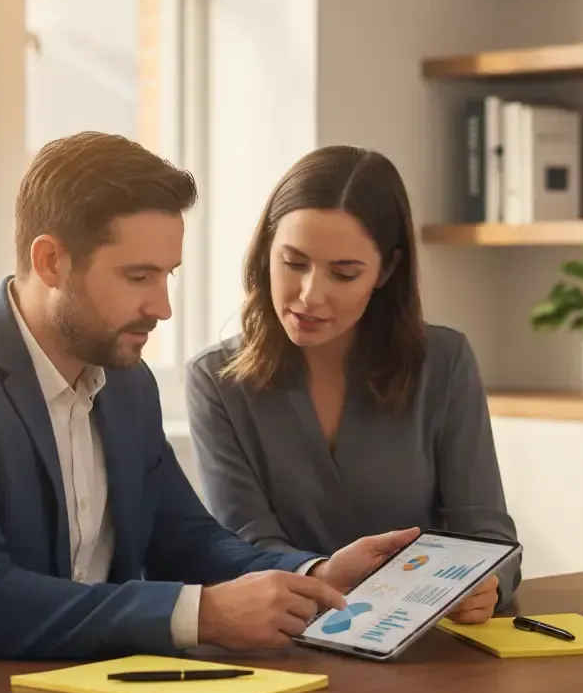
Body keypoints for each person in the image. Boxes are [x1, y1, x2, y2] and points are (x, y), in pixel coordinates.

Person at [0, 132, 419, 675]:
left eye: (167, 275)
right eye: (138, 276)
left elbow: (185, 540)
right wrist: (204, 614)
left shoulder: (125, 383)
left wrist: (313, 575)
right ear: (50, 262)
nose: (162, 306)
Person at [186, 145, 521, 624]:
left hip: (422, 643)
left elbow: (489, 537)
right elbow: (245, 546)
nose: (310, 295)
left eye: (344, 273)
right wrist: (321, 573)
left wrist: (487, 586)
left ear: (386, 271)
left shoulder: (444, 363)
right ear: (265, 253)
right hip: (285, 642)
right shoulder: (216, 381)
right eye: (293, 263)